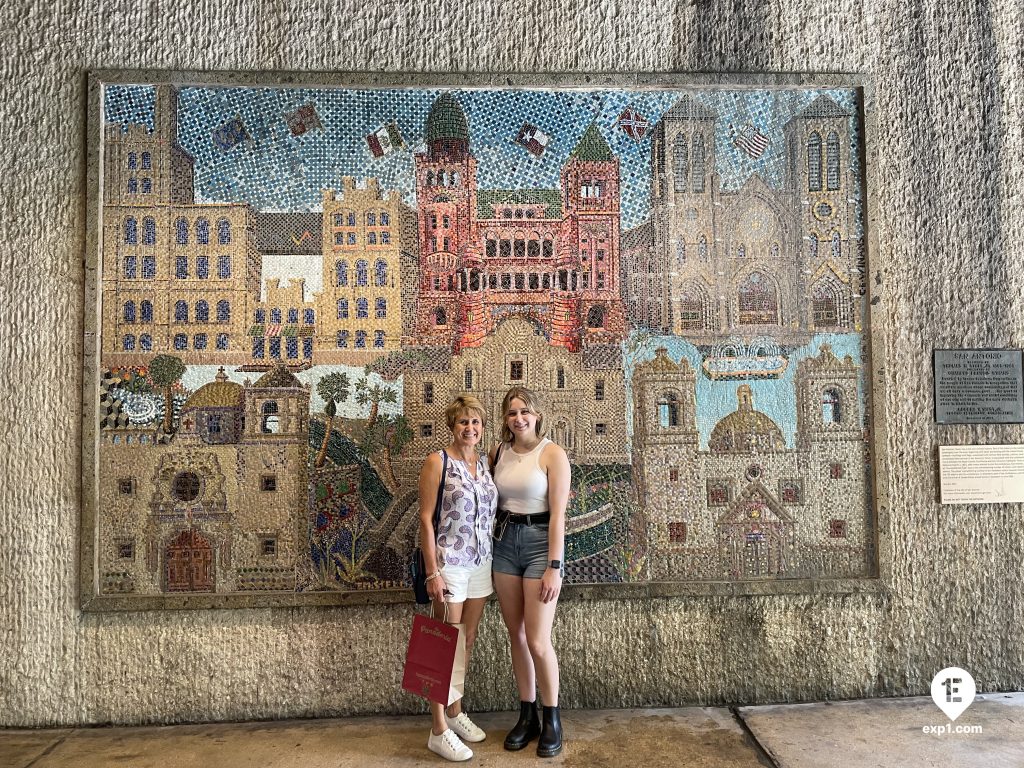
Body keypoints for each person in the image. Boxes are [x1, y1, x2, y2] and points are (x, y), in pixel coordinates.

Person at [489, 386, 571, 758]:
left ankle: (552, 718)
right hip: (505, 544)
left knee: (538, 640)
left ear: (536, 415)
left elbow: (558, 516)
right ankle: (527, 715)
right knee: (517, 635)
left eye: (524, 411)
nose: (518, 418)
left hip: (540, 545)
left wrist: (555, 566)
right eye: (511, 413)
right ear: (505, 419)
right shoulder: (498, 452)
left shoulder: (552, 454)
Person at [418, 395, 498, 762]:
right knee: (442, 641)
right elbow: (424, 518)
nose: (470, 428)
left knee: (467, 638)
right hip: (450, 563)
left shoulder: (484, 464)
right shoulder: (439, 461)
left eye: (476, 423)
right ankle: (437, 729)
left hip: (481, 563)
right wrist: (432, 570)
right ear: (453, 426)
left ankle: (454, 710)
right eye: (464, 422)